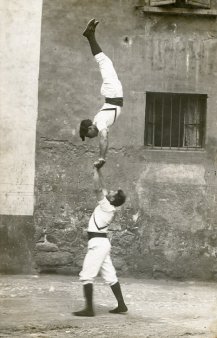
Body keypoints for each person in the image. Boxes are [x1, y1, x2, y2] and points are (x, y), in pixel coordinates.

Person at [73, 166, 128, 317]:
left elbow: (97, 188)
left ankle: (89, 309)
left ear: (112, 199)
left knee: (86, 276)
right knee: (110, 276)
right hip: (102, 243)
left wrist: (96, 168)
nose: (108, 191)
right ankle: (122, 305)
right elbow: (101, 186)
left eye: (111, 193)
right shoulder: (109, 205)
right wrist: (99, 170)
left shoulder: (106, 206)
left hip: (97, 244)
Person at [79, 18, 124, 169]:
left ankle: (89, 36)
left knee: (103, 61)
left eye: (88, 136)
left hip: (112, 93)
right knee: (104, 62)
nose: (90, 138)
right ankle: (90, 35)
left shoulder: (99, 122)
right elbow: (104, 135)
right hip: (112, 94)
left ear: (90, 129)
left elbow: (104, 137)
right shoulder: (98, 121)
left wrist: (102, 157)